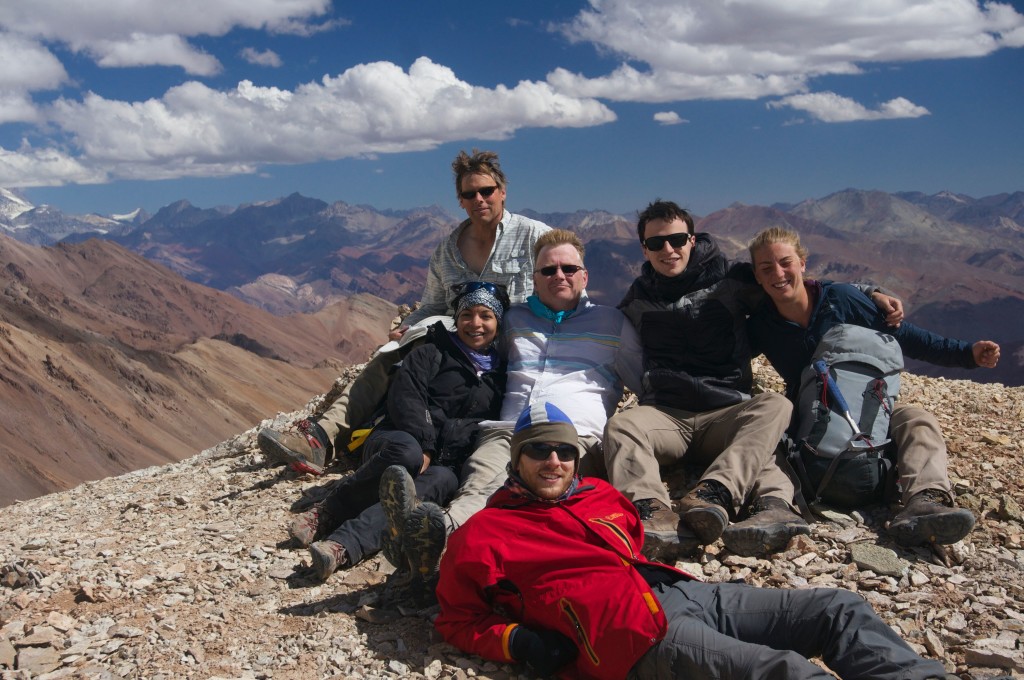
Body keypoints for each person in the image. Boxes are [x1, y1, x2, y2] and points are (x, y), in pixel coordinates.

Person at [435, 401, 955, 680]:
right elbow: (457, 618)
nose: (554, 461)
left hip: (685, 593)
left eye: (564, 451)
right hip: (634, 636)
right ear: (516, 461)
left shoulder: (600, 495)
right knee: (785, 672)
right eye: (539, 450)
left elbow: (634, 543)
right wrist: (518, 641)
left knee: (836, 608)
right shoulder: (485, 534)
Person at [603, 200, 903, 560]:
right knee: (622, 426)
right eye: (656, 244)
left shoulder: (732, 280)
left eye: (677, 240)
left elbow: (792, 287)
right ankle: (651, 513)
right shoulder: (638, 298)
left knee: (775, 407)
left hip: (728, 407)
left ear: (692, 240)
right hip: (667, 415)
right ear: (644, 249)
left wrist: (867, 291)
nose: (668, 250)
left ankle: (736, 497)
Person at [380, 229, 644, 589]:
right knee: (480, 478)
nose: (559, 276)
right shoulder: (513, 320)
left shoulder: (614, 324)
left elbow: (643, 381)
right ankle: (435, 538)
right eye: (548, 271)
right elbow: (474, 345)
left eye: (569, 268)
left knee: (510, 488)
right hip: (507, 429)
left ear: (584, 275)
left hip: (572, 437)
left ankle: (437, 543)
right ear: (534, 279)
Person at [258, 149, 549, 475]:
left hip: (512, 348)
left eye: (487, 191)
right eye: (470, 194)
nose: (479, 199)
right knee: (398, 349)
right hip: (455, 345)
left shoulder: (534, 237)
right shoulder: (447, 251)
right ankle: (321, 439)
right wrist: (408, 325)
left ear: (503, 192)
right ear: (460, 200)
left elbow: (563, 282)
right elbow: (434, 304)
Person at [746, 226, 1000, 546]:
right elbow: (725, 355)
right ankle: (775, 508)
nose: (778, 274)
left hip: (869, 408)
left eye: (786, 263)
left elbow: (901, 336)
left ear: (803, 263)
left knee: (915, 418)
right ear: (755, 276)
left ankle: (926, 500)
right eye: (766, 268)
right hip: (805, 423)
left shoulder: (842, 299)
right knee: (768, 425)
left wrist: (967, 354)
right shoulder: (760, 325)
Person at [284, 285, 508, 580]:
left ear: (498, 323)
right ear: (456, 318)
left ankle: (341, 546)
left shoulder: (501, 377)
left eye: (485, 316)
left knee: (436, 483)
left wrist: (447, 456)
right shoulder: (431, 352)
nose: (475, 324)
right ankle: (327, 512)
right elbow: (406, 398)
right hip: (397, 435)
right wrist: (427, 445)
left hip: (446, 461)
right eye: (466, 314)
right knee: (408, 456)